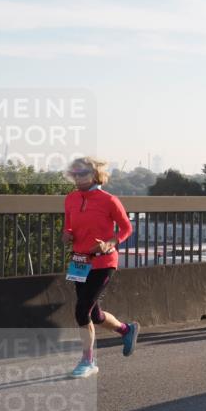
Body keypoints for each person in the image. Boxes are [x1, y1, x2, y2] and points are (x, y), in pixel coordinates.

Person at [62, 157, 139, 378]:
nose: (78, 177)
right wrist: (66, 236)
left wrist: (110, 243)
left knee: (81, 310)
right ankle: (126, 329)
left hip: (103, 261)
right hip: (79, 261)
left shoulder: (109, 200)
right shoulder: (70, 199)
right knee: (94, 314)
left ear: (94, 174)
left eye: (83, 173)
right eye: (74, 173)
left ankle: (88, 360)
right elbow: (67, 229)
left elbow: (126, 228)